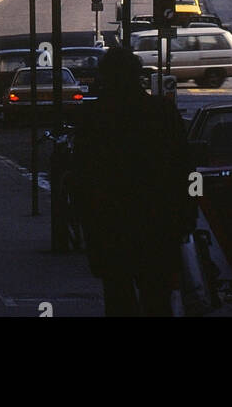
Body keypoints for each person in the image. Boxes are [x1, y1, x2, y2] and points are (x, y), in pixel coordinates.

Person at [71, 48, 196, 316]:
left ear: (105, 78)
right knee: (158, 299)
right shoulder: (162, 112)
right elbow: (185, 167)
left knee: (118, 300)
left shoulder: (93, 117)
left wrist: (85, 223)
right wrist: (187, 214)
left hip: (110, 226)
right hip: (158, 224)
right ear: (137, 77)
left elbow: (81, 175)